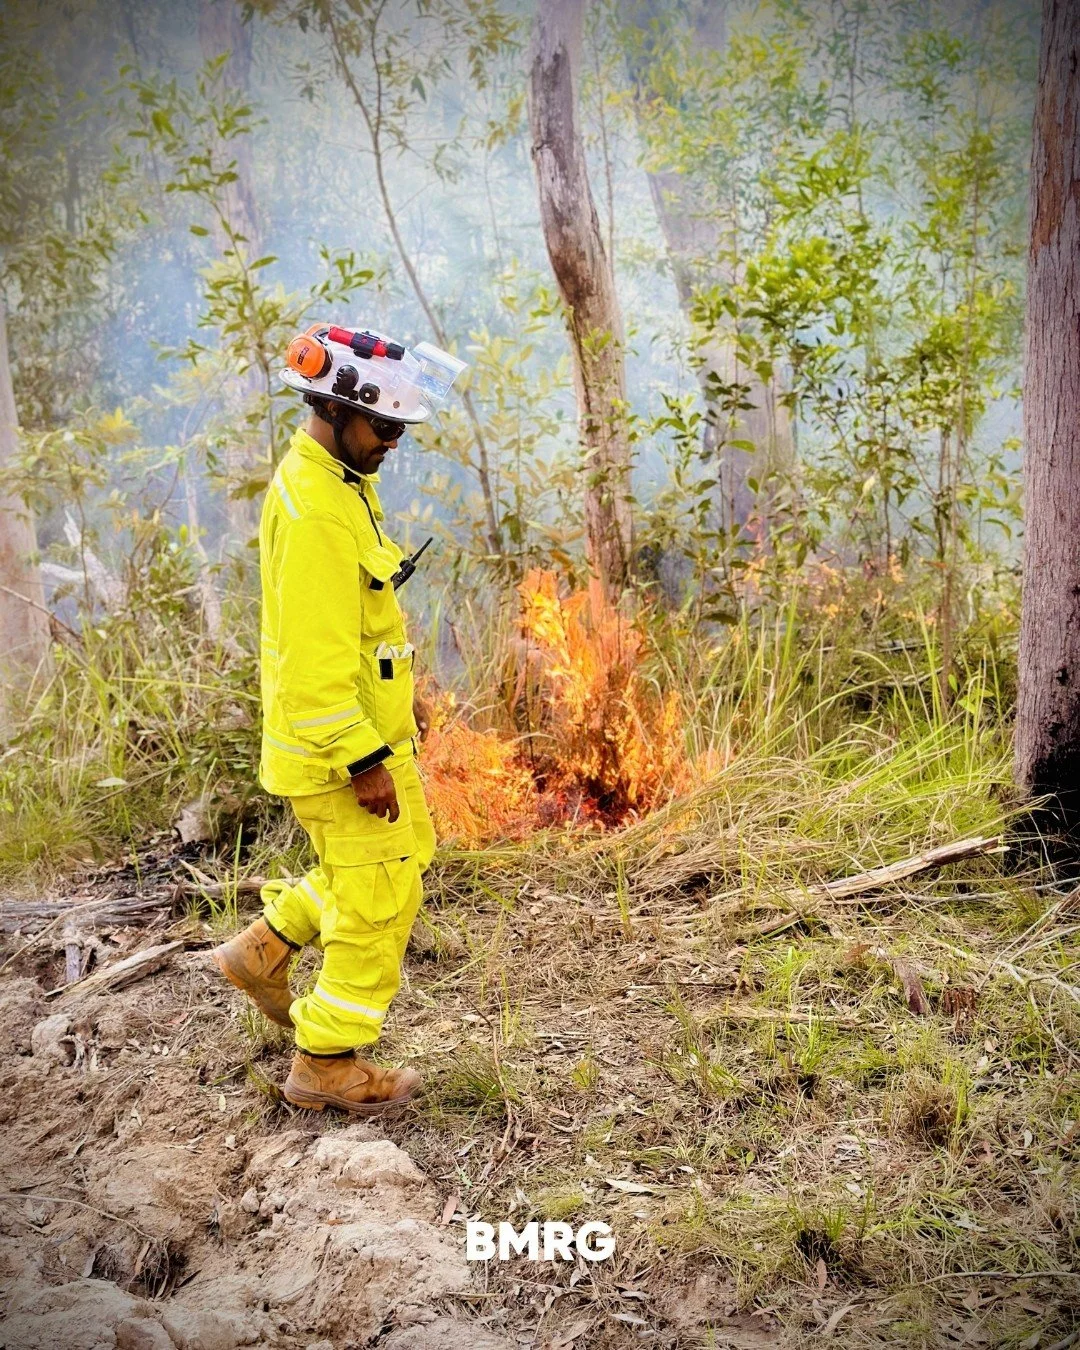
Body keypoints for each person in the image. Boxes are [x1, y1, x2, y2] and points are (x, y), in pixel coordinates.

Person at [211, 323, 465, 1114]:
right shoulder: (320, 509)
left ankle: (265, 949)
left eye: (400, 429)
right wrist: (363, 761)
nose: (394, 442)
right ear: (334, 406)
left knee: (397, 858)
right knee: (378, 895)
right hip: (340, 750)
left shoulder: (337, 477)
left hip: (366, 733)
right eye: (386, 427)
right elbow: (314, 664)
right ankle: (327, 1063)